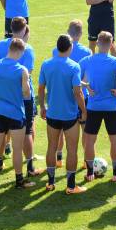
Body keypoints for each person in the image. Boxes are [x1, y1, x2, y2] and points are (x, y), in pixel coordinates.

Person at [0, 38, 35, 189]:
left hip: (0, 112)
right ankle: (19, 181)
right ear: (20, 51)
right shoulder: (22, 70)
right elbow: (26, 94)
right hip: (16, 114)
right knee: (17, 150)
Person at [80, 31, 116, 182]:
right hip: (111, 107)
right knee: (114, 140)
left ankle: (90, 173)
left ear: (97, 43)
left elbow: (74, 79)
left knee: (90, 140)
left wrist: (86, 87)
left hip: (93, 107)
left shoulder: (86, 60)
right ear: (111, 45)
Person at [39, 34, 88, 194]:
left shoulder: (46, 64)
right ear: (70, 47)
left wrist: (42, 107)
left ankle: (50, 183)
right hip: (70, 116)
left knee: (51, 147)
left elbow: (40, 88)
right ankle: (71, 186)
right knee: (72, 149)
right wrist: (84, 111)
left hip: (52, 114)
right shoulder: (74, 66)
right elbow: (77, 92)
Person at [0, 17, 43, 177]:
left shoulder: (1, 45)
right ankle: (29, 167)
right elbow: (27, 73)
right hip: (23, 97)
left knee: (1, 131)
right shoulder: (27, 49)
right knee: (28, 130)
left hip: (4, 93)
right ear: (24, 30)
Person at [53, 20, 92, 168]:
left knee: (61, 130)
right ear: (81, 34)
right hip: (81, 95)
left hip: (62, 95)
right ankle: (84, 161)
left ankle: (58, 159)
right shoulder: (87, 52)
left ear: (68, 31)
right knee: (84, 130)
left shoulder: (56, 50)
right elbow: (87, 76)